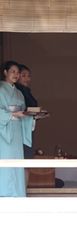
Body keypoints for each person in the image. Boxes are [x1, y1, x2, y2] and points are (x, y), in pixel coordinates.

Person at [0, 60, 33, 197]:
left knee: (17, 163)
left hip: (17, 131)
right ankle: (5, 194)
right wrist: (12, 114)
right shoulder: (1, 90)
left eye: (18, 73)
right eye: (12, 71)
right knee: (6, 163)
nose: (16, 75)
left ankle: (18, 194)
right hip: (4, 132)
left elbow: (23, 113)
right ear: (5, 72)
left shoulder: (19, 93)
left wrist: (32, 117)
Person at [15, 64, 38, 159]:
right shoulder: (17, 91)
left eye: (28, 76)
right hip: (20, 128)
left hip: (28, 125)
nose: (27, 79)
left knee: (28, 158)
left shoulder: (26, 90)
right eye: (23, 75)